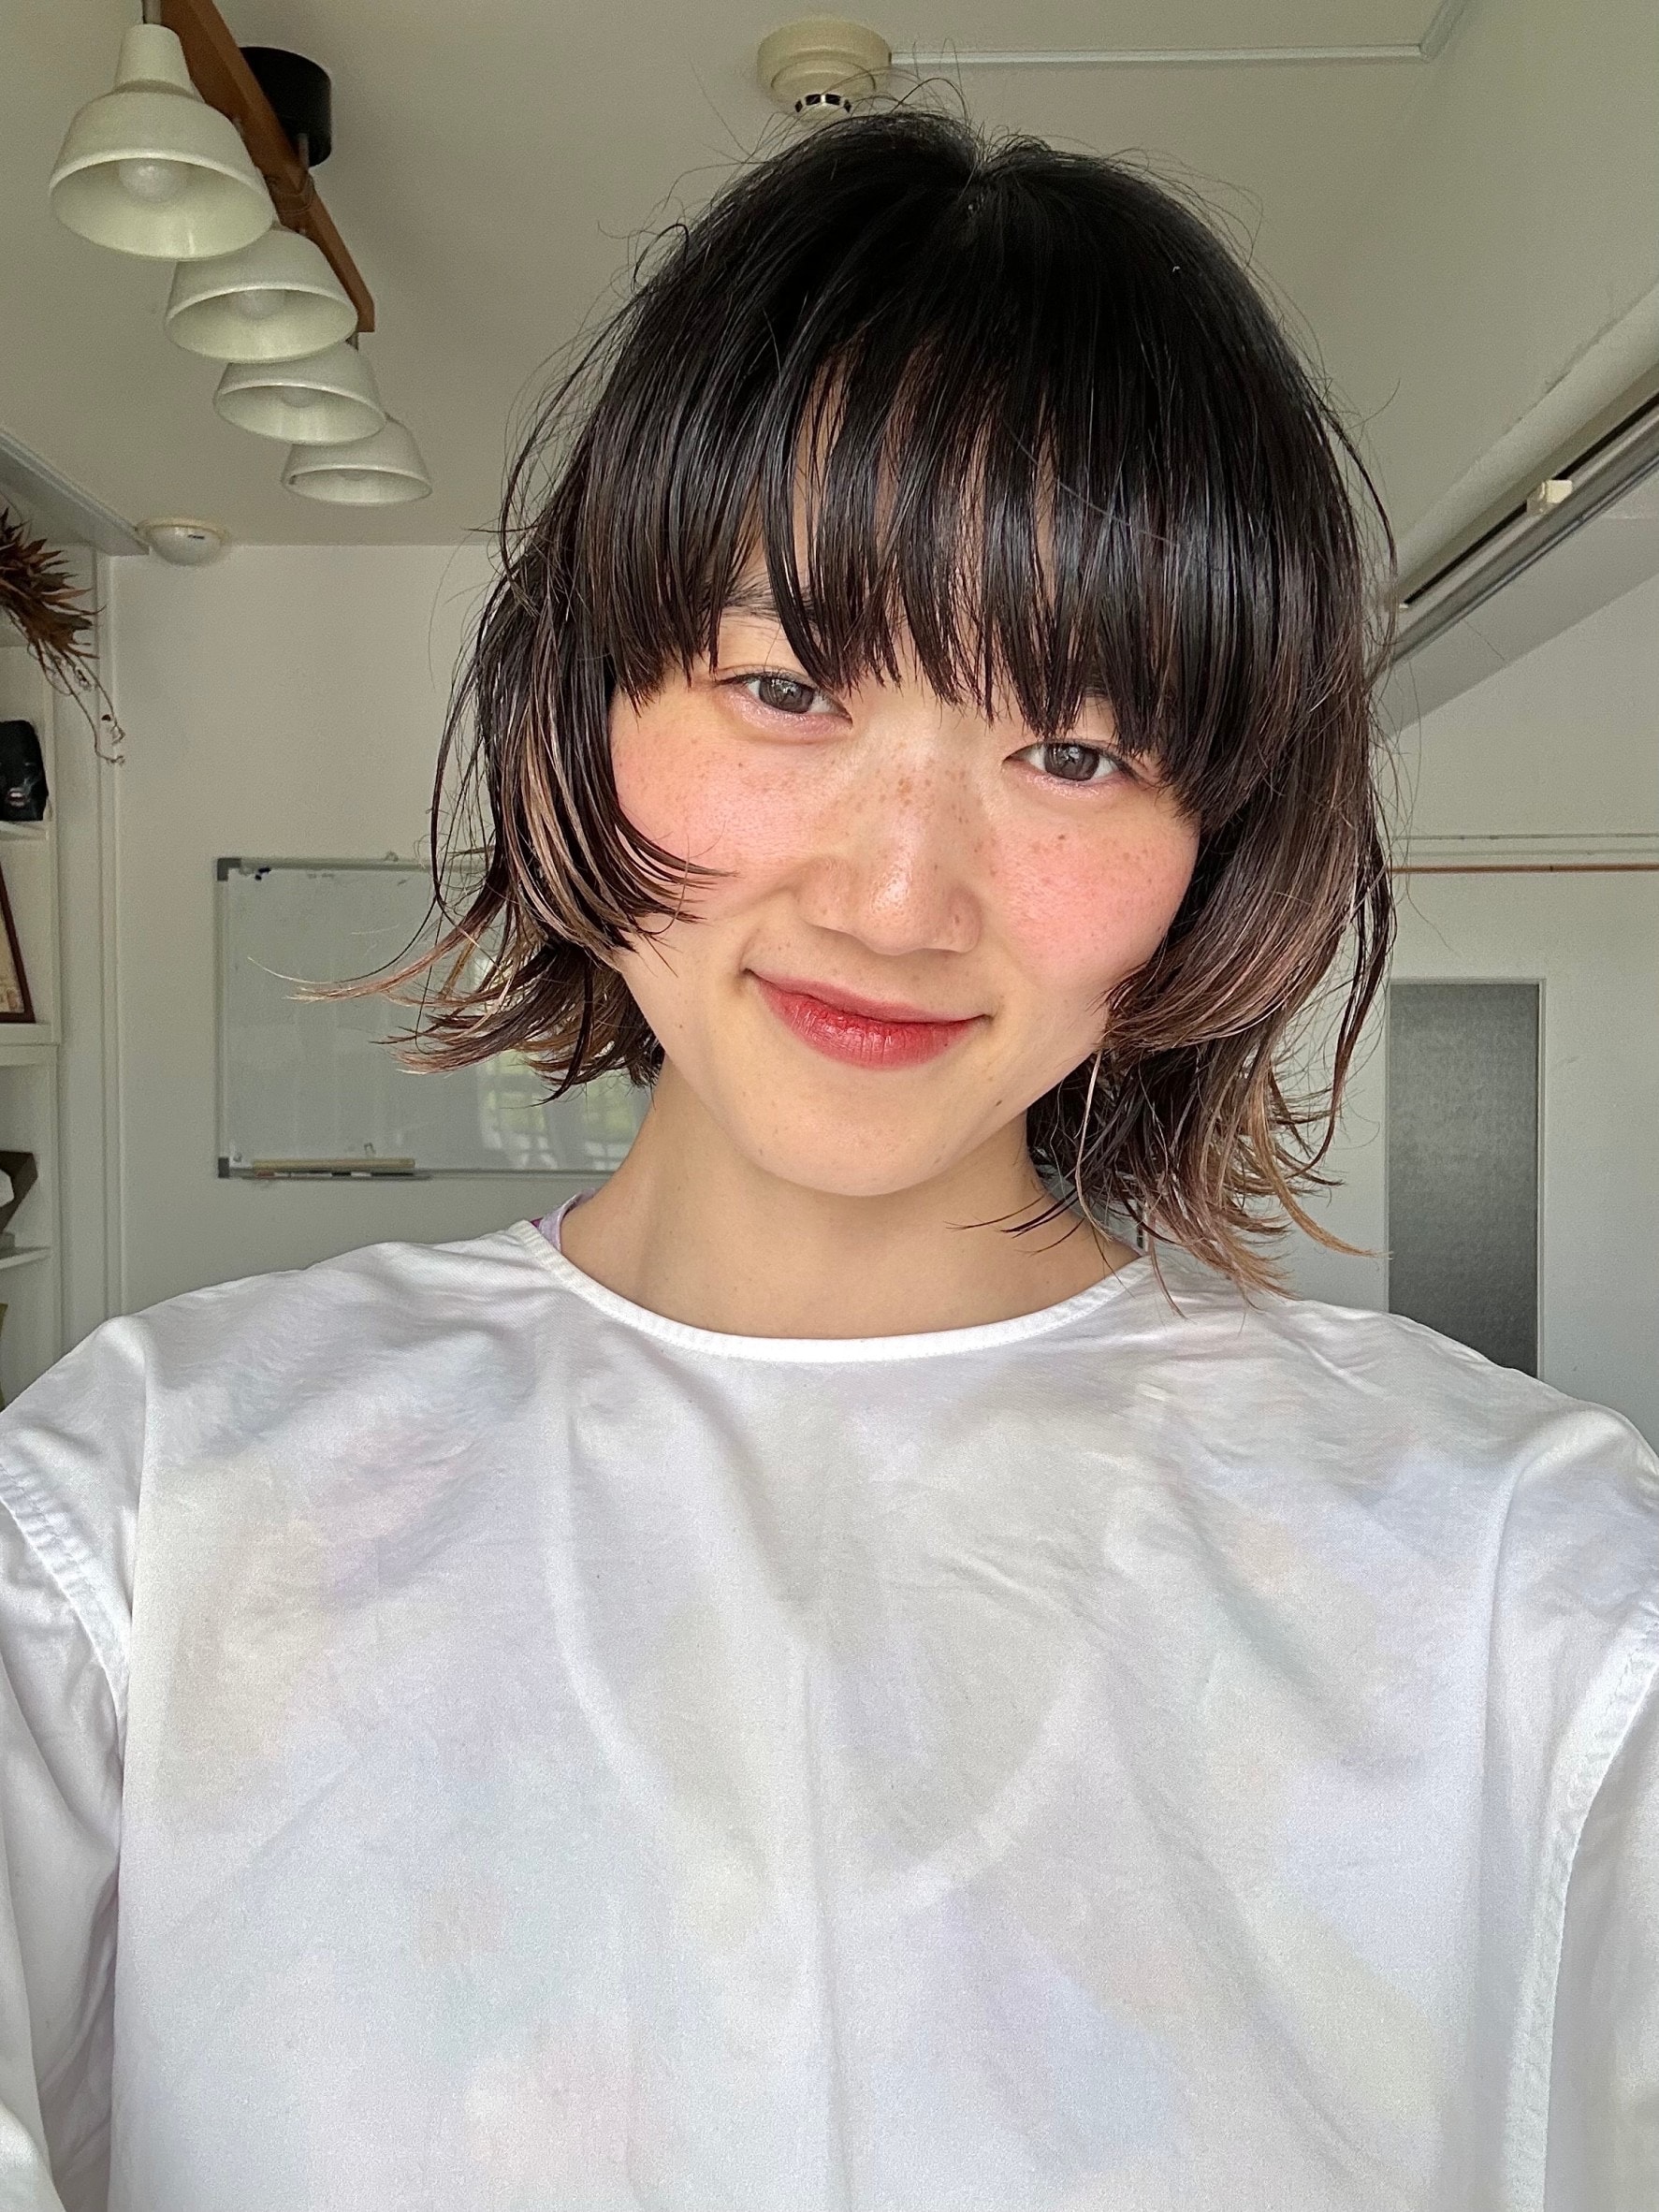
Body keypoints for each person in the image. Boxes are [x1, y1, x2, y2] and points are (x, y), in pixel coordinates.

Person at [1, 110, 1654, 2212]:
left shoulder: (1529, 1590)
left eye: (1071, 750)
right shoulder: (139, 1513)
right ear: (579, 713)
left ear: (1209, 848)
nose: (895, 897)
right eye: (784, 685)